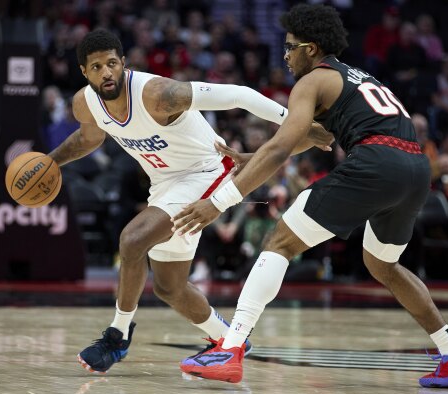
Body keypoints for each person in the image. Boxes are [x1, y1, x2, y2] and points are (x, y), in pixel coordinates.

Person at [172, 4, 448, 388]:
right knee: (383, 265)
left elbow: (281, 149)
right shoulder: (357, 77)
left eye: (290, 47)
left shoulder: (312, 80)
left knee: (280, 241)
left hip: (376, 162)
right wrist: (252, 157)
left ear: (312, 48)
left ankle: (230, 349)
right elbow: (308, 138)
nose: (284, 56)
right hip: (416, 168)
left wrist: (217, 202)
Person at [48, 29, 332, 374]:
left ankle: (118, 334)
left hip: (207, 170)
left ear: (123, 63)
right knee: (170, 287)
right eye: (96, 67)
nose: (106, 73)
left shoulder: (158, 94)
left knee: (132, 240)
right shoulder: (86, 102)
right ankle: (228, 339)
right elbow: (87, 138)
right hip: (166, 182)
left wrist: (298, 125)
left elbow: (239, 94)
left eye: (111, 64)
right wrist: (50, 162)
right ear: (83, 72)